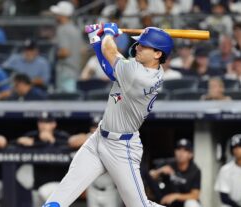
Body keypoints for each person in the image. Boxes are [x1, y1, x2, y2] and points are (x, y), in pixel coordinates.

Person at [43, 23, 174, 207]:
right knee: (57, 200)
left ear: (157, 54)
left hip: (122, 147)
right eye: (139, 44)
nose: (138, 47)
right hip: (98, 139)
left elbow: (109, 52)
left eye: (144, 46)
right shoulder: (140, 68)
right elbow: (112, 70)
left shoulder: (140, 76)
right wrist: (96, 39)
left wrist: (109, 34)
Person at [16, 112, 70, 207]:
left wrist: (52, 141)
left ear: (54, 124)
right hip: (37, 186)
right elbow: (15, 142)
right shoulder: (33, 135)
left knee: (46, 194)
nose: (43, 125)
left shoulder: (61, 136)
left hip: (57, 185)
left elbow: (70, 145)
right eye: (41, 122)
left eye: (47, 122)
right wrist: (27, 142)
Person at [68, 118, 123, 207]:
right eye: (94, 127)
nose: (96, 129)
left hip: (110, 190)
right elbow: (72, 141)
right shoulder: (89, 140)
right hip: (93, 189)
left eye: (99, 126)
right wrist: (92, 137)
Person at [149, 139, 202, 207]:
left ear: (190, 155)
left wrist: (175, 196)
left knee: (192, 203)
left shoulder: (195, 170)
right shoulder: (169, 163)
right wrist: (160, 171)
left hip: (184, 203)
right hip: (168, 203)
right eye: (178, 149)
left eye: (185, 150)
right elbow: (149, 175)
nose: (181, 153)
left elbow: (195, 195)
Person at [50, 1, 84, 92]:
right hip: (75, 71)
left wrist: (54, 54)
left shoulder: (62, 29)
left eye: (57, 14)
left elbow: (65, 52)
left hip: (65, 71)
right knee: (72, 101)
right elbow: (82, 50)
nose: (56, 16)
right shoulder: (76, 29)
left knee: (64, 102)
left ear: (62, 15)